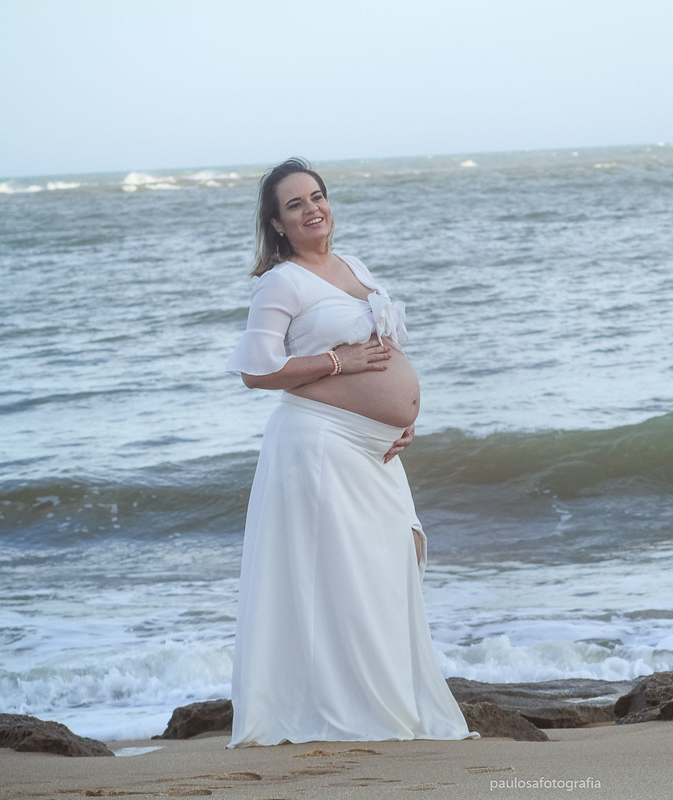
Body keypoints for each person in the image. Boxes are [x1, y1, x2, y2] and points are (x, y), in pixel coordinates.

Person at [224, 157, 476, 747]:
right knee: (348, 579)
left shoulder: (353, 266)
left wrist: (401, 421)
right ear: (276, 223)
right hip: (319, 442)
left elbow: (386, 357)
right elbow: (256, 372)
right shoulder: (281, 282)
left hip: (374, 449)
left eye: (317, 196)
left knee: (393, 562)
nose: (312, 209)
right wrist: (339, 362)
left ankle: (385, 697)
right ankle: (348, 707)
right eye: (295, 204)